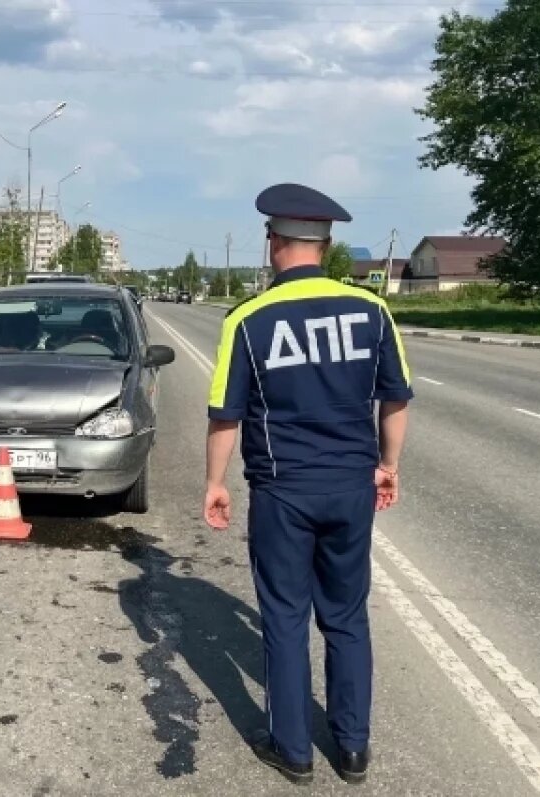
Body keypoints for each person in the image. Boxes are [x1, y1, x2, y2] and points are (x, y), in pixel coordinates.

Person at [203, 183, 413, 784]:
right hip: (350, 488)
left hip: (283, 492)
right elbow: (394, 399)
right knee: (347, 616)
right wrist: (387, 466)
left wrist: (216, 481)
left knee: (286, 618)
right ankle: (352, 749)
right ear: (326, 245)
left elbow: (226, 414)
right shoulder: (372, 311)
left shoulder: (248, 318)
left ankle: (293, 751)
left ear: (275, 244)